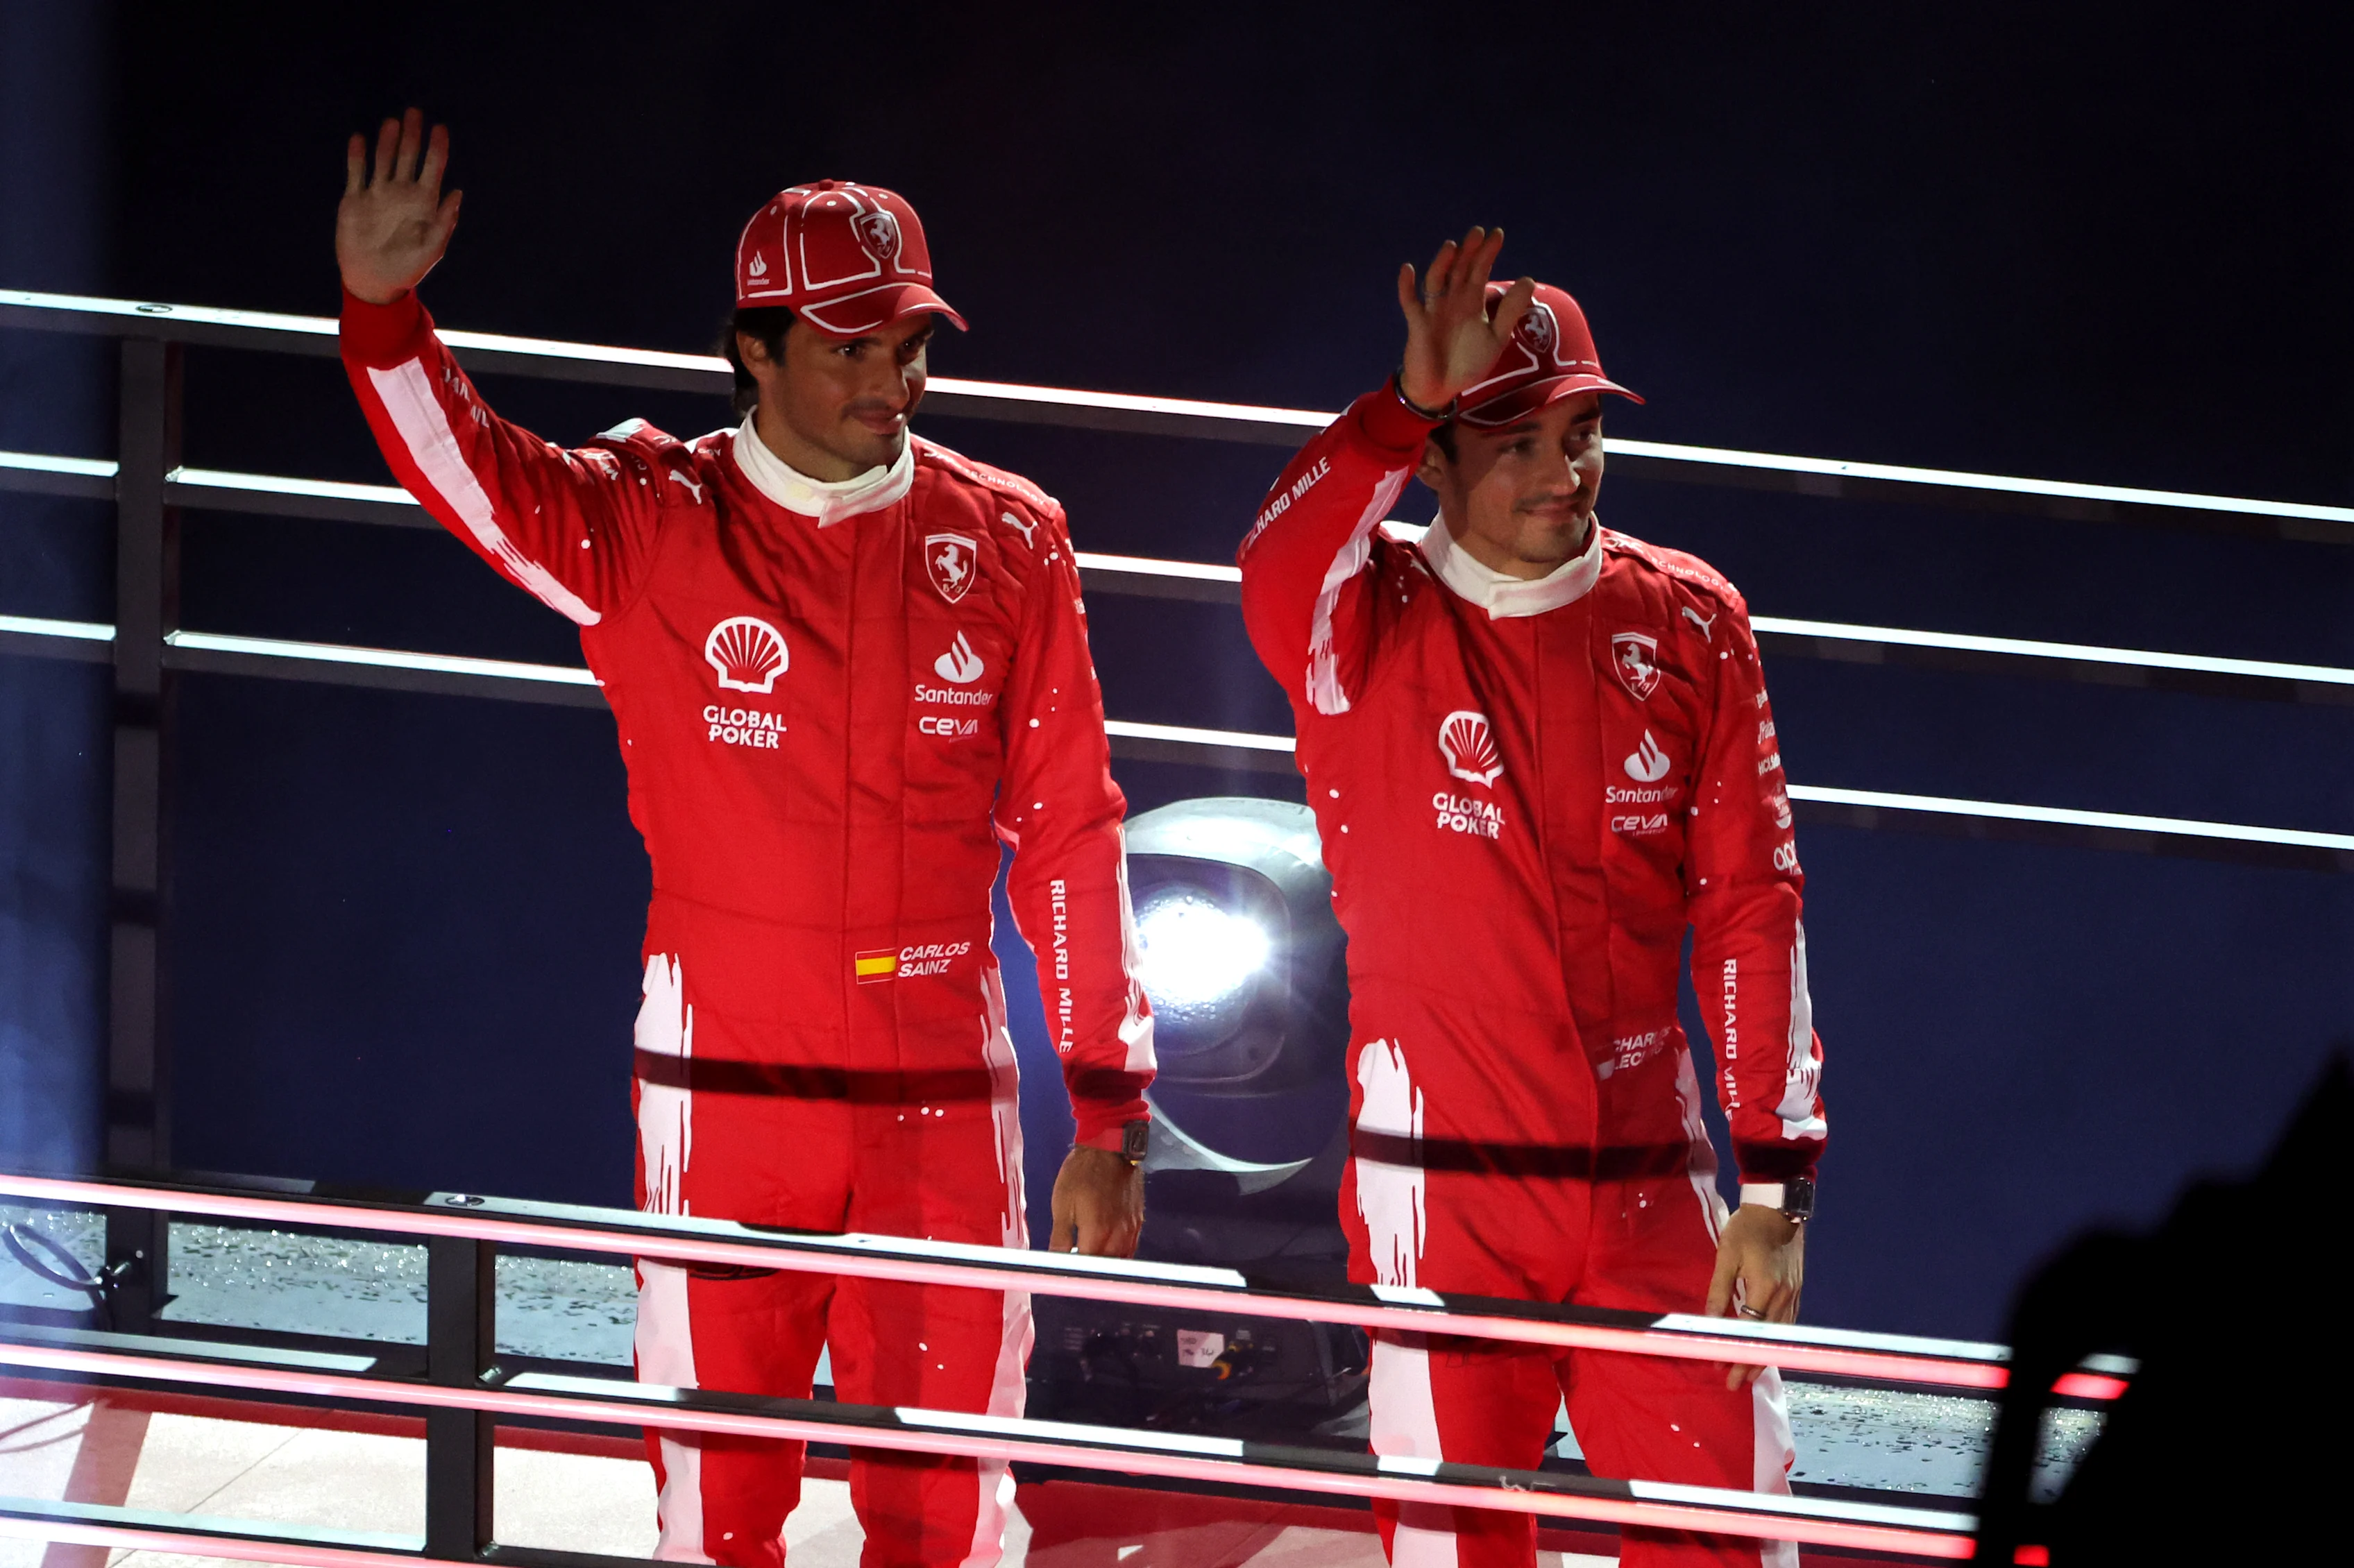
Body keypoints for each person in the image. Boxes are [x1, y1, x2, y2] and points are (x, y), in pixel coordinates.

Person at [333, 110, 1155, 1567]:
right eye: (846, 346)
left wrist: (1104, 1107)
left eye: (907, 342)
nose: (888, 380)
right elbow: (472, 478)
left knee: (952, 1504)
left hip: (940, 1073)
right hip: (718, 1064)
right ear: (751, 351)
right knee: (715, 1503)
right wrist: (386, 322)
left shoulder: (1013, 537)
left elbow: (1074, 829)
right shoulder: (649, 517)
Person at [1237, 228, 1827, 1568]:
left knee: (1730, 1542)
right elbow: (1272, 563)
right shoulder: (1360, 621)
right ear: (1434, 459)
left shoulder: (1690, 621)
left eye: (1581, 435)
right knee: (1453, 1550)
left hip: (1652, 1185)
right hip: (1440, 1189)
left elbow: (1754, 903)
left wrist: (1777, 1181)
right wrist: (1397, 408)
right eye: (1516, 443)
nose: (1564, 474)